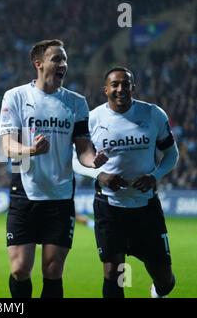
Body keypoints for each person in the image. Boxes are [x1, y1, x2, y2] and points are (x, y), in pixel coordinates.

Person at [0, 39, 108, 298]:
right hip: (25, 191)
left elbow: (83, 150)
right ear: (38, 63)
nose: (63, 64)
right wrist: (31, 151)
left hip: (60, 196)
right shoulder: (15, 96)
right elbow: (7, 145)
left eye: (65, 59)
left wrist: (95, 161)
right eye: (57, 59)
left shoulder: (77, 103)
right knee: (20, 269)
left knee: (53, 269)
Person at [73, 66, 178, 298]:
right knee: (113, 273)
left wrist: (155, 177)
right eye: (115, 84)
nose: (120, 88)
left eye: (125, 84)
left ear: (133, 87)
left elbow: (171, 154)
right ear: (105, 89)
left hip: (146, 208)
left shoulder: (153, 114)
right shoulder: (92, 119)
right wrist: (99, 175)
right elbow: (75, 159)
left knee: (165, 280)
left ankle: (157, 291)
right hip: (109, 208)